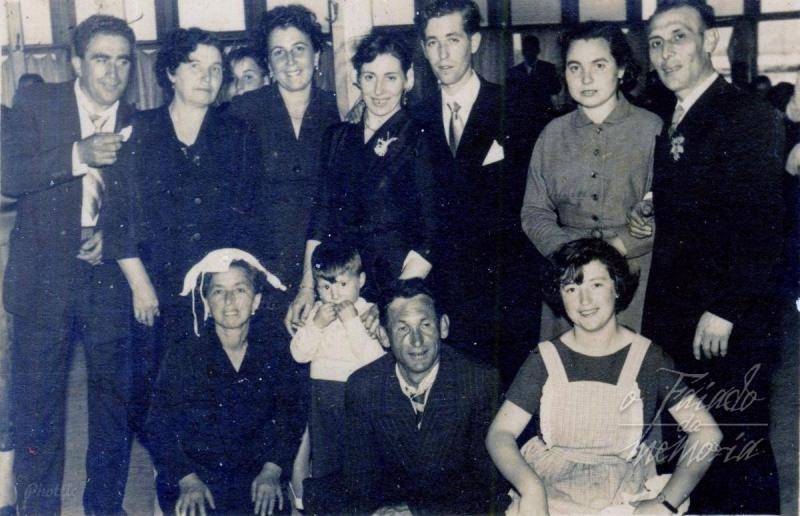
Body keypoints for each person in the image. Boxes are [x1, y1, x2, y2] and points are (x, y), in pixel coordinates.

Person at [0, 15, 151, 514]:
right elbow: (9, 176)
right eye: (101, 59)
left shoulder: (137, 119)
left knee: (112, 407)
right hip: (42, 282)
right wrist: (76, 155)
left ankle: (104, 507)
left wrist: (111, 235)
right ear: (76, 63)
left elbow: (140, 204)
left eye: (123, 61)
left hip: (106, 280)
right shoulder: (37, 104)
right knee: (39, 411)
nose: (113, 72)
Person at [640, 1, 786, 512]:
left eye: (679, 37)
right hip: (678, 316)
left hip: (727, 323)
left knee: (737, 446)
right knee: (689, 448)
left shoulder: (748, 116)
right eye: (656, 43)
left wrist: (727, 308)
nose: (666, 53)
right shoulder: (671, 114)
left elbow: (766, 226)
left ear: (710, 42)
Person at [486, 238, 722, 515]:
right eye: (571, 288)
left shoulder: (649, 358)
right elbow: (500, 434)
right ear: (559, 295)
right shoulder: (545, 358)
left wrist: (666, 502)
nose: (584, 300)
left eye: (596, 285)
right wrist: (531, 489)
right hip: (549, 494)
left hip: (623, 497)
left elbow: (707, 433)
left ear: (617, 287)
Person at [111, 27, 261, 437]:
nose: (207, 77)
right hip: (154, 288)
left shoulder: (237, 134)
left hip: (216, 289)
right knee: (155, 396)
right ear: (171, 73)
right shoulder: (139, 130)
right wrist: (140, 286)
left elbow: (248, 217)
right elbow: (119, 214)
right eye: (195, 66)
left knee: (216, 394)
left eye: (216, 69)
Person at [412, 0, 541, 385]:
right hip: (443, 293)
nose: (442, 53)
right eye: (432, 42)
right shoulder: (415, 118)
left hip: (503, 290)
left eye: (452, 39)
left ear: (474, 41)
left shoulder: (514, 107)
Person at [304, 279, 509, 515]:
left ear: (443, 326)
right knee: (322, 496)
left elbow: (489, 486)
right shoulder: (364, 385)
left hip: (449, 507)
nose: (417, 340)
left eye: (425, 325)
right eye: (402, 329)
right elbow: (360, 478)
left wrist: (418, 512)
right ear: (384, 336)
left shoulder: (478, 382)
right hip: (390, 500)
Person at [521, 23, 662, 340]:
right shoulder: (552, 135)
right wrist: (568, 254)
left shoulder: (652, 129)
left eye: (599, 65)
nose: (586, 79)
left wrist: (616, 248)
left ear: (621, 69)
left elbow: (671, 211)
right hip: (569, 275)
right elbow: (534, 212)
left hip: (633, 276)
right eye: (575, 67)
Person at [287, 31, 436, 328]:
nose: (379, 90)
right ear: (357, 79)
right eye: (369, 77)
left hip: (396, 288)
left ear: (407, 79)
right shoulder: (338, 137)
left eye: (390, 77)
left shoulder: (422, 137)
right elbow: (321, 216)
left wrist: (392, 302)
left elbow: (432, 234)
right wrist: (307, 287)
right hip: (339, 290)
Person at [146, 249, 305, 516]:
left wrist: (271, 471)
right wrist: (186, 479)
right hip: (197, 477)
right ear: (207, 303)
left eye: (240, 290)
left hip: (255, 477)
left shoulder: (276, 350)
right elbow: (158, 424)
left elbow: (290, 416)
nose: (230, 300)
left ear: (256, 301)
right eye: (218, 291)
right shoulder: (184, 354)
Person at [228, 5, 340, 296]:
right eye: (279, 52)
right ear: (269, 63)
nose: (290, 61)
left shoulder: (339, 110)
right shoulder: (243, 110)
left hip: (326, 265)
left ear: (317, 56)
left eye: (299, 49)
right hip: (261, 264)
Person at [288, 243, 384, 501]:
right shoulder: (317, 313)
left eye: (343, 284)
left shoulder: (367, 312)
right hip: (322, 395)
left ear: (360, 281)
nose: (334, 294)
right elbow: (299, 354)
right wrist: (317, 325)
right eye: (325, 287)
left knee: (359, 457)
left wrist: (351, 321)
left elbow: (375, 361)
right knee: (324, 457)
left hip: (357, 394)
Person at [506, 35, 560, 117]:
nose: (530, 53)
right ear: (523, 51)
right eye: (527, 49)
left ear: (538, 50)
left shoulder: (548, 68)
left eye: (532, 49)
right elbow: (510, 97)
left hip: (544, 114)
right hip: (523, 116)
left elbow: (556, 89)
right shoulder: (513, 72)